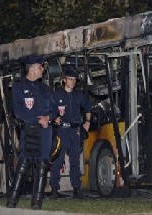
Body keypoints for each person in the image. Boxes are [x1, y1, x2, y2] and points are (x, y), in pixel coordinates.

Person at [6, 54, 56, 210]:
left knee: (42, 164)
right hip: (28, 130)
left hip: (45, 132)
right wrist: (37, 119)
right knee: (24, 163)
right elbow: (19, 112)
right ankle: (12, 200)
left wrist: (49, 117)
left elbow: (55, 109)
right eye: (41, 67)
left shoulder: (45, 89)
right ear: (33, 68)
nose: (43, 69)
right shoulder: (18, 88)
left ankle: (36, 203)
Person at [49, 65, 92, 198]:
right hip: (62, 131)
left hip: (75, 131)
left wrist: (87, 122)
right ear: (64, 80)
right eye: (70, 79)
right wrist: (54, 118)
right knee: (57, 161)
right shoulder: (56, 95)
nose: (73, 82)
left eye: (74, 79)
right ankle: (55, 189)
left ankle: (77, 189)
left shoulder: (79, 95)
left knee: (75, 161)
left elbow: (88, 107)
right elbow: (50, 111)